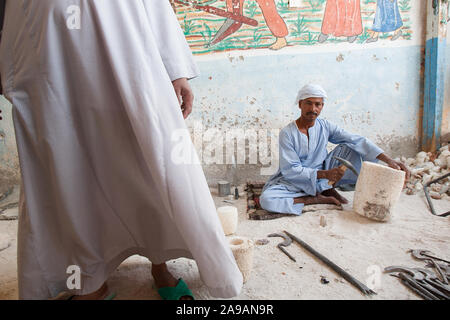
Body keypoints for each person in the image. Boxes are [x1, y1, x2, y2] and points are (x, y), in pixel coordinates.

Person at [0, 0, 243, 300]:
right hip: (53, 62)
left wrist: (174, 69)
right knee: (71, 170)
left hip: (128, 55)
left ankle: (160, 264)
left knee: (148, 159)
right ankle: (91, 282)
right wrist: (10, 74)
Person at [259, 84, 410, 215]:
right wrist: (325, 174)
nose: (313, 109)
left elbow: (356, 140)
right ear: (300, 104)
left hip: (323, 175)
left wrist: (389, 160)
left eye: (317, 104)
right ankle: (311, 199)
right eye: (308, 103)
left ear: (322, 106)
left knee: (351, 147)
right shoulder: (287, 133)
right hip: (295, 180)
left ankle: (326, 188)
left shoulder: (325, 126)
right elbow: (291, 170)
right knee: (266, 200)